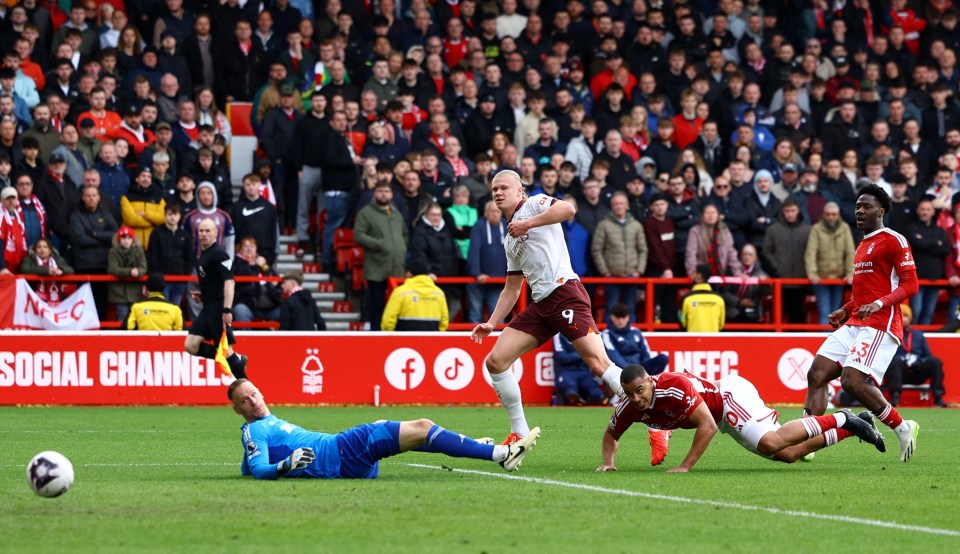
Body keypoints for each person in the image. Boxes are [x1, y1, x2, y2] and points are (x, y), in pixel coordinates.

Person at [470, 170, 669, 465]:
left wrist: (528, 223)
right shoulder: (510, 238)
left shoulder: (536, 204)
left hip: (566, 293)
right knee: (495, 361)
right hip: (541, 305)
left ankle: (658, 424)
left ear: (519, 190)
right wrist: (492, 322)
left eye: (503, 187)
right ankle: (518, 431)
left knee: (598, 363)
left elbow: (568, 209)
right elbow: (512, 288)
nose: (497, 193)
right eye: (493, 189)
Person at [804, 184, 921, 463]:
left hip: (880, 322)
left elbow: (911, 284)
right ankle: (808, 439)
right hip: (856, 320)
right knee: (816, 374)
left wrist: (880, 303)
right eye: (857, 206)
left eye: (866, 206)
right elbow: (864, 292)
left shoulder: (894, 240)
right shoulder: (863, 244)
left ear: (881, 211)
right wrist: (845, 309)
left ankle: (902, 427)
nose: (859, 210)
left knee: (851, 381)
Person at [229, 378, 541, 479]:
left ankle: (470, 443)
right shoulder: (254, 429)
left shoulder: (259, 429)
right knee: (423, 426)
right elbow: (259, 470)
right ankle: (502, 453)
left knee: (390, 427)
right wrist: (285, 465)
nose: (254, 401)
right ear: (237, 409)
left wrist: (276, 462)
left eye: (254, 393)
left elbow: (248, 467)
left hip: (345, 457)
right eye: (246, 400)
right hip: (343, 451)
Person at [597, 365, 885, 472]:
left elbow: (706, 425)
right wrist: (609, 463)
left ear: (650, 381)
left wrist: (685, 466)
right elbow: (611, 433)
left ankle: (842, 419)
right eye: (629, 393)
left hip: (728, 397)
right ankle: (854, 426)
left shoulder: (673, 385)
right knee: (789, 454)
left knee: (771, 442)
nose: (636, 398)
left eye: (639, 390)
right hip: (721, 416)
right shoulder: (630, 404)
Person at [183, 218, 248, 379]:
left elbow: (229, 282)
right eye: (201, 231)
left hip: (219, 309)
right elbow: (215, 282)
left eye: (207, 231)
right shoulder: (204, 255)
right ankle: (236, 360)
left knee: (226, 351)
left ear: (216, 233)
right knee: (191, 345)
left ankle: (248, 389)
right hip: (208, 309)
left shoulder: (219, 254)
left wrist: (227, 310)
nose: (204, 234)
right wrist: (204, 295)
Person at [353, 180, 407, 331]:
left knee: (397, 302)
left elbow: (404, 234)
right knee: (376, 301)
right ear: (374, 193)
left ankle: (395, 330)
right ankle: (376, 330)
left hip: (397, 266)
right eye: (380, 191)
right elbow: (358, 235)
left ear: (392, 194)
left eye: (387, 191)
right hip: (376, 266)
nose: (384, 194)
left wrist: (402, 246)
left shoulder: (397, 214)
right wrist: (378, 244)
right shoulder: (366, 213)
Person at [591, 191, 648, 324]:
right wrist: (605, 272)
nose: (618, 206)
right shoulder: (604, 225)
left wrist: (639, 270)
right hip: (612, 276)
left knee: (631, 308)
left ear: (627, 205)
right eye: (615, 204)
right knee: (611, 307)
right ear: (611, 206)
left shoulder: (636, 225)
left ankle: (631, 338)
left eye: (621, 203)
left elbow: (643, 249)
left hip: (631, 276)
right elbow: (597, 250)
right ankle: (609, 338)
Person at [884, 304, 947, 408]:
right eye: (900, 316)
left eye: (905, 316)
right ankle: (895, 397)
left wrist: (919, 362)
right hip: (899, 373)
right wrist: (902, 359)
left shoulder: (918, 335)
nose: (903, 319)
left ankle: (938, 397)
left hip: (917, 371)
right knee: (894, 362)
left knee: (935, 362)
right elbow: (885, 355)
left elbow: (927, 355)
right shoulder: (890, 334)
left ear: (910, 318)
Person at [805, 202, 855, 325]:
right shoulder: (816, 228)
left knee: (836, 312)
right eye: (828, 214)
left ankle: (833, 341)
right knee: (825, 311)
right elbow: (811, 252)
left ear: (838, 215)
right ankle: (824, 341)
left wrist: (850, 274)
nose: (831, 217)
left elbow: (850, 252)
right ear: (824, 215)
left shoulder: (844, 228)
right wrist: (812, 273)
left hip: (839, 278)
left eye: (834, 214)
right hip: (821, 279)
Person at [381, 257, 449, 331]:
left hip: (404, 340)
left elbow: (387, 322)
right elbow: (444, 322)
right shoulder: (439, 293)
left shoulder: (400, 292)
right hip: (431, 340)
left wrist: (392, 337)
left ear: (409, 273)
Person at [602, 303, 669, 375]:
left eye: (623, 317)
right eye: (618, 318)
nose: (621, 321)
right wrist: (630, 371)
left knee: (663, 358)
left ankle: (649, 382)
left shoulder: (636, 332)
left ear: (628, 317)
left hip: (639, 368)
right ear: (612, 317)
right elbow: (613, 355)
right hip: (620, 372)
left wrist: (640, 372)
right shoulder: (607, 334)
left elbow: (645, 354)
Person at [107, 225, 148, 323]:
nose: (126, 241)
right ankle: (121, 337)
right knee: (122, 316)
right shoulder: (113, 251)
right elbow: (113, 269)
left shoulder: (138, 251)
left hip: (135, 290)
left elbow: (143, 267)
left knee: (135, 317)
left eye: (129, 238)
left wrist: (138, 272)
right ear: (119, 239)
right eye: (124, 238)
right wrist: (130, 272)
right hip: (119, 291)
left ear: (132, 240)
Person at [552, 333, 607, 406]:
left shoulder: (587, 332)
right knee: (569, 387)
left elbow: (594, 354)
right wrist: (582, 355)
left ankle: (602, 400)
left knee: (594, 390)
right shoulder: (558, 335)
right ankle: (576, 401)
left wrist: (578, 355)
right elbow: (562, 357)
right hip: (565, 370)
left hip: (584, 370)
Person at [680, 264, 725, 332]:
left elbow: (683, 321)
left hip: (692, 340)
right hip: (713, 340)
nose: (691, 275)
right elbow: (721, 324)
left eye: (693, 273)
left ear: (699, 277)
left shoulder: (687, 299)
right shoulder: (719, 299)